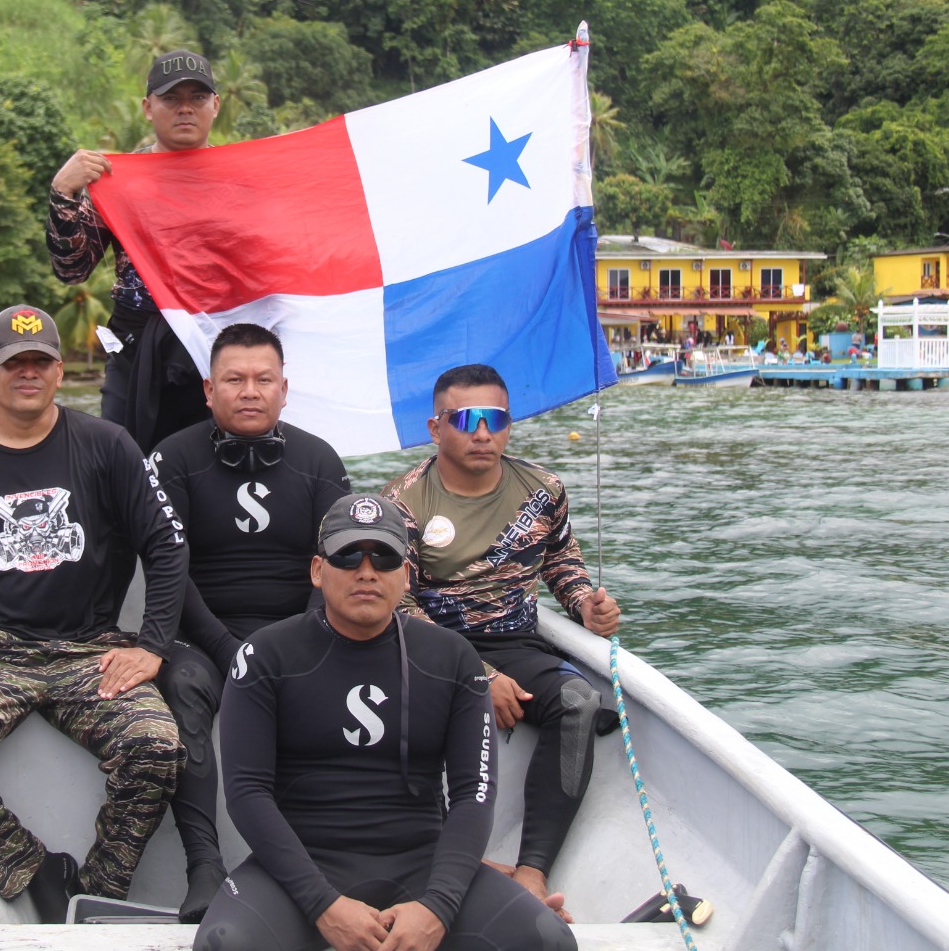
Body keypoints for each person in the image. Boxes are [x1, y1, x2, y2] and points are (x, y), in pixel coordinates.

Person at [0, 304, 189, 923]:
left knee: (155, 747)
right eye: (13, 362)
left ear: (59, 371)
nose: (28, 372)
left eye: (40, 362)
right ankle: (38, 871)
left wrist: (152, 645)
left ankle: (99, 892)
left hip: (88, 650)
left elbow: (166, 544)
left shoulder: (108, 446)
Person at [193, 493, 576, 951]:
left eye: (385, 558)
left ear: (406, 574)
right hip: (299, 868)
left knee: (547, 940)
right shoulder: (265, 656)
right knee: (224, 945)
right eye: (347, 556)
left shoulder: (452, 658)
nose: (367, 572)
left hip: (422, 864)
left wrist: (438, 906)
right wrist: (322, 905)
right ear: (317, 570)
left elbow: (473, 794)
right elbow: (247, 793)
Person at [382, 364, 620, 921]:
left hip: (514, 641)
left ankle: (534, 870)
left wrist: (586, 604)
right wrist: (475, 675)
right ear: (436, 427)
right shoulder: (402, 502)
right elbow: (398, 604)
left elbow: (561, 562)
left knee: (580, 702)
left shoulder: (543, 491)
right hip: (427, 648)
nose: (484, 433)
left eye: (497, 419)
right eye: (467, 420)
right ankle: (438, 859)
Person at [150, 322, 350, 920]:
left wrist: (299, 641)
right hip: (201, 636)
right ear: (208, 390)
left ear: (284, 390)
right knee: (182, 687)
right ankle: (204, 866)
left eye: (264, 380)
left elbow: (335, 567)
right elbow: (168, 569)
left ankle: (325, 858)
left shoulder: (318, 460)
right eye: (234, 380)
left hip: (300, 632)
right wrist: (225, 647)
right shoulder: (173, 459)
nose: (249, 391)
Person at [47, 48, 221, 451]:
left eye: (197, 97)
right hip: (137, 345)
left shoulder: (243, 178)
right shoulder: (117, 179)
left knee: (215, 465)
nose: (185, 108)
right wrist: (63, 193)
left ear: (215, 105)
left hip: (220, 343)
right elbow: (72, 269)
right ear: (147, 108)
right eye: (170, 98)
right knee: (123, 460)